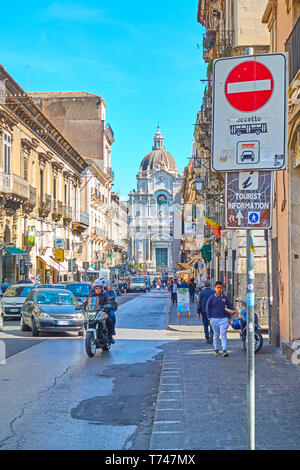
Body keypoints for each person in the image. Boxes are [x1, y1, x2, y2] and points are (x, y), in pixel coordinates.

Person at [206, 281, 236, 357]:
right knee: (216, 334)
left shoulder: (224, 297)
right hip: (214, 319)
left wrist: (232, 310)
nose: (219, 289)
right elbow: (207, 308)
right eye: (218, 288)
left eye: (221, 288)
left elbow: (230, 305)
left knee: (223, 334)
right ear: (215, 288)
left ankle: (224, 349)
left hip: (223, 319)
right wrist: (209, 317)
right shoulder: (211, 298)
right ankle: (216, 349)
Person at [83, 279, 115, 344]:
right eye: (96, 288)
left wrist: (109, 304)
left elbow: (109, 300)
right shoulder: (92, 295)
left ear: (101, 289)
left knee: (109, 320)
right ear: (94, 289)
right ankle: (90, 336)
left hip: (103, 312)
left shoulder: (105, 294)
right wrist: (82, 305)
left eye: (99, 288)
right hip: (94, 312)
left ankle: (110, 336)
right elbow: (86, 301)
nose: (98, 290)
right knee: (87, 320)